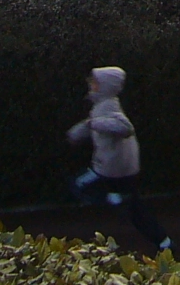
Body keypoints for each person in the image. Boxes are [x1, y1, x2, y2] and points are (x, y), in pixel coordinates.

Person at [67, 67, 172, 253]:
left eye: (95, 83)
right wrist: (79, 131)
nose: (91, 85)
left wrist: (93, 124)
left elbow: (125, 127)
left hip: (111, 169)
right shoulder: (104, 105)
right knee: (135, 210)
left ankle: (113, 198)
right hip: (126, 169)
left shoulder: (108, 107)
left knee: (79, 184)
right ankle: (164, 241)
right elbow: (93, 125)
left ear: (105, 87)